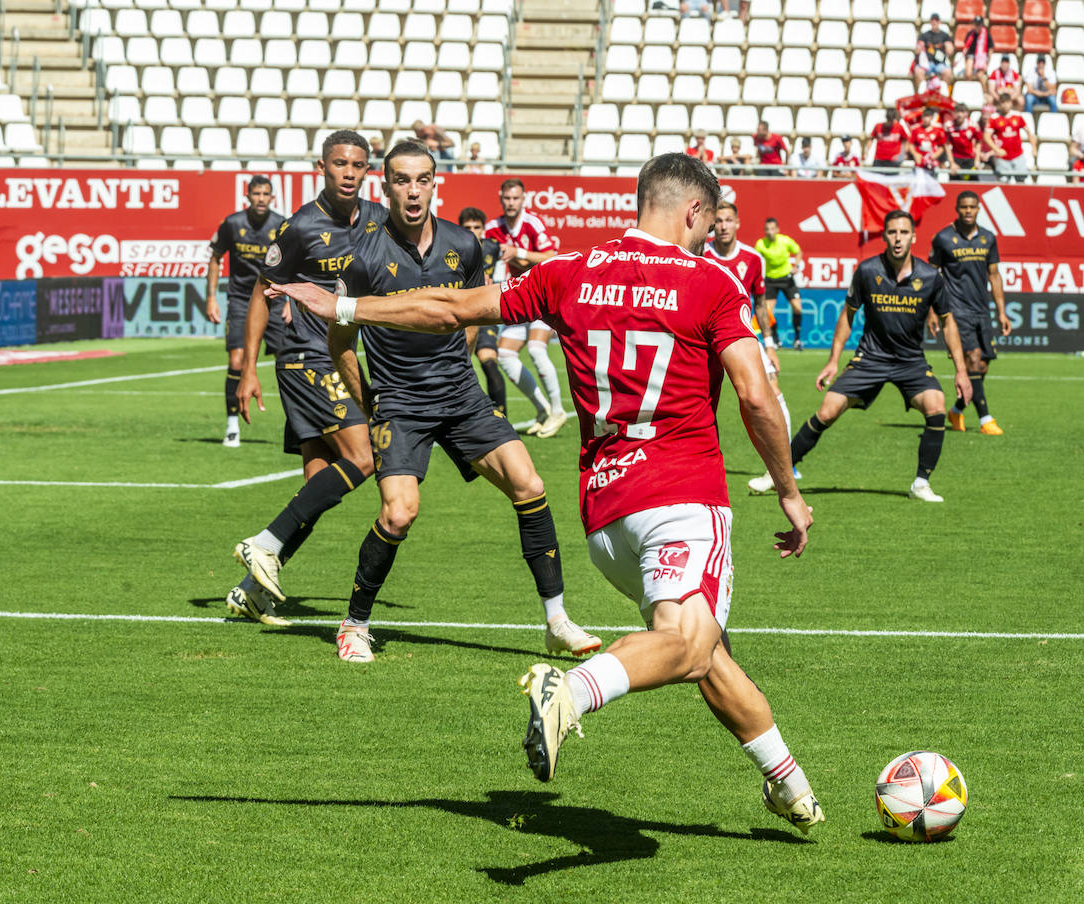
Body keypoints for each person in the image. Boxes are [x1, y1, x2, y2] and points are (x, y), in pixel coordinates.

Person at [272, 153, 823, 836]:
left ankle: (789, 784)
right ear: (692, 212)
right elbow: (754, 394)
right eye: (707, 224)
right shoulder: (710, 281)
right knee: (683, 641)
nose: (709, 238)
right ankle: (575, 689)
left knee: (705, 650)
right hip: (681, 494)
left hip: (604, 520)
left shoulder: (569, 272)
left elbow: (447, 306)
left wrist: (350, 304)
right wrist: (791, 492)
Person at [321, 141, 600, 663]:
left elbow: (474, 313)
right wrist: (370, 401)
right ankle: (354, 624)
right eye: (401, 180)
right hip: (399, 403)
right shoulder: (362, 254)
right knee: (400, 513)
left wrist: (461, 365)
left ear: (435, 183)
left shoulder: (464, 245)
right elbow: (340, 343)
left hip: (460, 394)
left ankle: (557, 620)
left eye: (422, 179)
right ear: (386, 186)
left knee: (529, 483)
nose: (412, 190)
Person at [229, 130, 386, 626]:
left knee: (319, 486)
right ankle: (264, 542)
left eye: (357, 165)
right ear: (322, 167)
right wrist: (249, 370)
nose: (348, 172)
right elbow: (261, 293)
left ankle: (252, 590)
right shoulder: (299, 227)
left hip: (338, 356)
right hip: (305, 359)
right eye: (339, 163)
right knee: (364, 457)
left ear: (367, 171)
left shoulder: (378, 221)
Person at [754, 211, 973, 503]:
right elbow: (848, 315)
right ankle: (777, 474)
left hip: (910, 361)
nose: (898, 238)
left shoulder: (931, 276)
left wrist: (960, 371)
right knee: (828, 411)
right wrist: (833, 361)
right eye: (892, 232)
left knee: (936, 405)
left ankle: (921, 483)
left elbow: (948, 322)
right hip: (870, 357)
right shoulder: (868, 270)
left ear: (913, 237)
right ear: (884, 236)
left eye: (904, 232)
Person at [704, 202, 797, 493]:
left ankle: (782, 468)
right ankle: (698, 466)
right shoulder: (700, 254)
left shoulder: (754, 258)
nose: (723, 225)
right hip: (705, 338)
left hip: (746, 337)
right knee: (699, 400)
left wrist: (769, 345)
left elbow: (759, 305)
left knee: (770, 393)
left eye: (728, 220)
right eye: (718, 220)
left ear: (737, 223)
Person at [206, 175, 288, 448]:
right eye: (256, 194)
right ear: (248, 196)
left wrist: (290, 299)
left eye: (266, 194)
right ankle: (232, 427)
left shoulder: (281, 225)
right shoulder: (232, 223)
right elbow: (216, 258)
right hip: (241, 299)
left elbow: (294, 264)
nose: (261, 199)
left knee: (288, 362)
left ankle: (298, 426)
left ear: (272, 197)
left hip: (274, 299)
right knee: (237, 362)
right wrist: (211, 299)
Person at [486, 178, 570, 437]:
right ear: (501, 198)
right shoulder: (493, 227)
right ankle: (543, 409)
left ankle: (558, 410)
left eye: (515, 199)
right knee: (505, 355)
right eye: (507, 199)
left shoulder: (532, 224)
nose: (511, 203)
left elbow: (552, 257)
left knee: (536, 349)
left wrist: (519, 252)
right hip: (519, 297)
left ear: (523, 199)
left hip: (544, 295)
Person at [929, 192, 1012, 435]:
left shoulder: (988, 238)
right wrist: (933, 312)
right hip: (955, 310)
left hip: (981, 310)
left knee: (982, 366)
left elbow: (994, 275)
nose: (968, 211)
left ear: (978, 209)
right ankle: (986, 420)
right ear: (956, 208)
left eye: (972, 207)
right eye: (963, 207)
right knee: (973, 359)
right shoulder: (943, 238)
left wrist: (1002, 312)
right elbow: (932, 276)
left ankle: (956, 411)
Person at [457, 206, 508, 414]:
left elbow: (516, 263)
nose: (472, 231)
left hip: (484, 313)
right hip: (458, 314)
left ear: (483, 229)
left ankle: (501, 416)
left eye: (476, 227)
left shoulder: (494, 247)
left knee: (488, 361)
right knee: (457, 366)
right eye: (467, 227)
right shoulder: (450, 248)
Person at [754, 217, 804, 350]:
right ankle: (776, 340)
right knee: (768, 312)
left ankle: (797, 339)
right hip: (770, 280)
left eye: (772, 229)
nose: (769, 232)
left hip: (786, 278)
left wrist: (796, 266)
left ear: (777, 230)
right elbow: (756, 261)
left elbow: (798, 251)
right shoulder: (760, 244)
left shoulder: (785, 241)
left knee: (798, 308)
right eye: (767, 229)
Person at [985, 92, 1036, 182]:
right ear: (999, 104)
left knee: (1021, 180)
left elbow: (1029, 133)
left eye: (1007, 102)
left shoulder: (1017, 116)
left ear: (1011, 103)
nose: (1005, 105)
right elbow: (986, 137)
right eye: (1002, 103)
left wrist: (1034, 147)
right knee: (1004, 182)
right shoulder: (994, 118)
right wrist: (996, 150)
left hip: (1018, 155)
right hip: (1002, 157)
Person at [913, 13, 955, 88]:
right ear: (930, 22)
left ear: (940, 22)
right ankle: (923, 93)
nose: (934, 22)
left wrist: (947, 46)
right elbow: (917, 50)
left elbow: (950, 52)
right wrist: (919, 47)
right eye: (932, 20)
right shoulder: (924, 35)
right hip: (927, 63)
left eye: (936, 20)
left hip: (940, 63)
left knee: (948, 72)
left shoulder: (945, 36)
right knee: (918, 71)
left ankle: (944, 94)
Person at [945, 103, 984, 180]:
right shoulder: (949, 126)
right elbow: (946, 144)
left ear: (967, 113)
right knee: (955, 185)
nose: (959, 114)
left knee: (973, 185)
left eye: (962, 112)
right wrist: (952, 162)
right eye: (957, 112)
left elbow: (979, 142)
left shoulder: (973, 125)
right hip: (956, 158)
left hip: (970, 158)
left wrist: (977, 160)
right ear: (953, 113)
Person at [909, 106, 949, 173]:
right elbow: (911, 144)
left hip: (932, 163)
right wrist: (915, 154)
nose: (925, 119)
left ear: (932, 118)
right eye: (924, 116)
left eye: (928, 116)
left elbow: (942, 146)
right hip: (919, 163)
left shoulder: (937, 130)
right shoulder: (916, 130)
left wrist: (936, 154)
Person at [963, 16, 994, 86]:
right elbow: (966, 48)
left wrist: (987, 63)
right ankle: (968, 88)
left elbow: (990, 50)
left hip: (982, 58)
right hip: (971, 56)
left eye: (979, 24)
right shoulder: (970, 34)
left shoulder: (986, 34)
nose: (977, 26)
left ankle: (984, 93)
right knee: (968, 73)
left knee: (980, 76)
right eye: (976, 24)